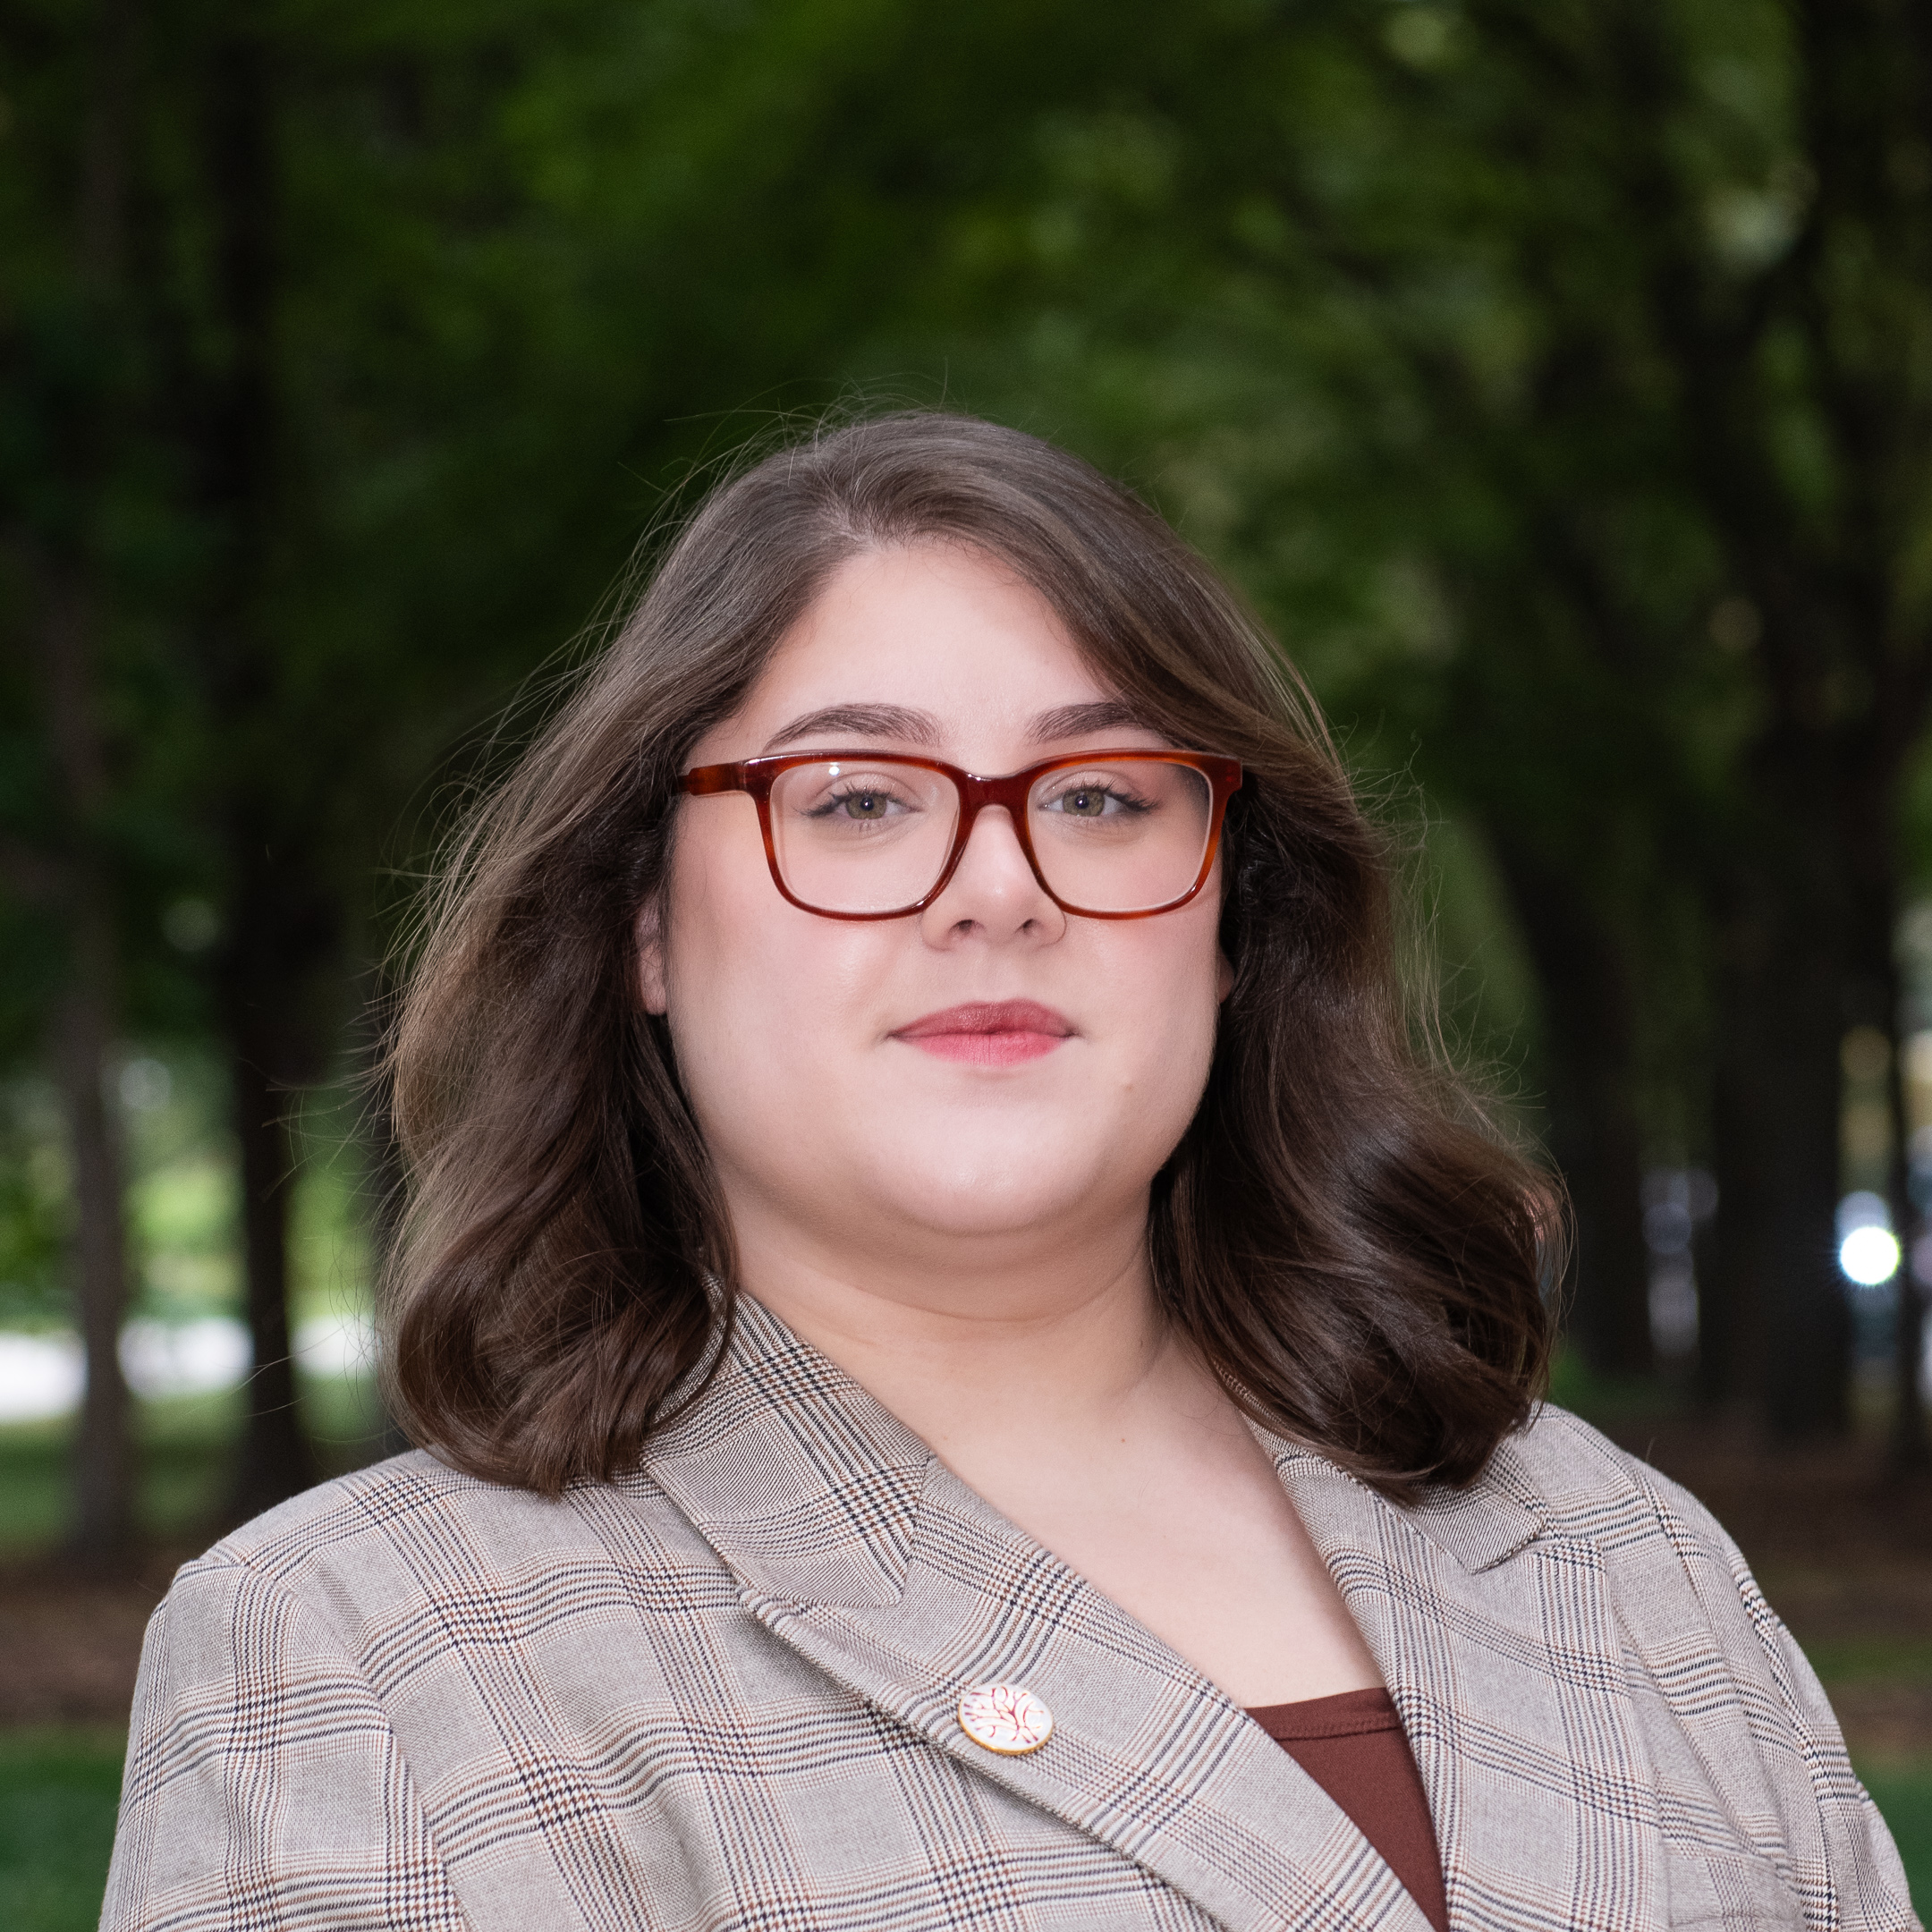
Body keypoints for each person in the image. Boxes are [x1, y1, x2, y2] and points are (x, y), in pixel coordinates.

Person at [102, 413, 1914, 1932]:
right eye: (857, 800)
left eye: (1102, 796)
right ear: (646, 924)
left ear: (1232, 922)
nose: (997, 889)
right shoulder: (363, 1662)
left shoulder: (1617, 1555)